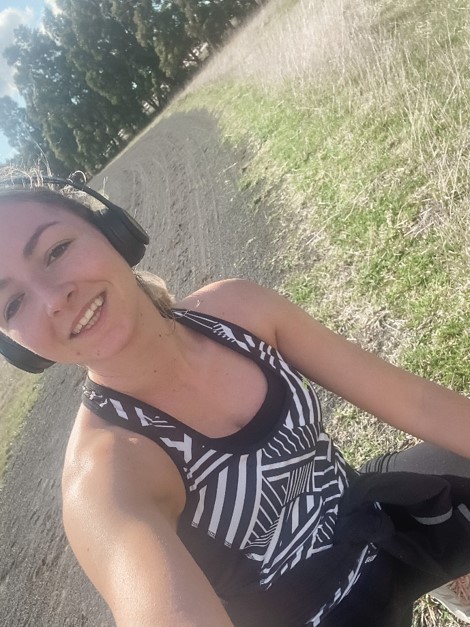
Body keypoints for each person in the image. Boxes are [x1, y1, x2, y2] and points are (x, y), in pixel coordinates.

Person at [1, 174, 470, 627]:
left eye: (56, 250)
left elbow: (418, 404)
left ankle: (448, 582)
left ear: (111, 231)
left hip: (374, 516)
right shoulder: (105, 475)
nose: (53, 299)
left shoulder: (239, 313)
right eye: (12, 304)